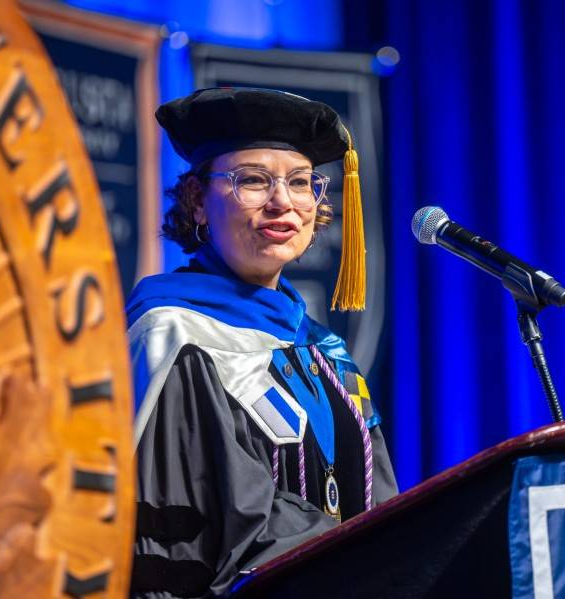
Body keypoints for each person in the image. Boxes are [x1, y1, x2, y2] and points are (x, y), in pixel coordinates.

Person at [126, 87, 398, 598]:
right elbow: (194, 531)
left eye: (300, 183)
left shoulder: (323, 354)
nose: (282, 202)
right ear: (197, 203)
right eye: (252, 180)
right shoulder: (175, 338)